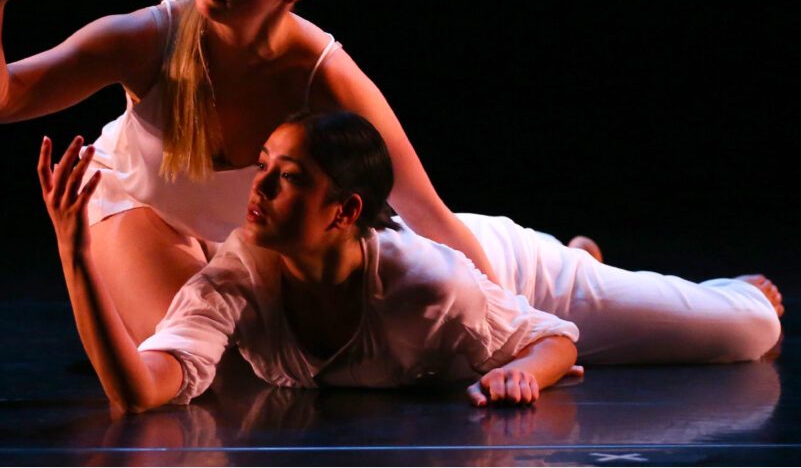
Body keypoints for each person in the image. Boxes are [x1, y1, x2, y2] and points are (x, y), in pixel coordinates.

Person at [0, 0, 501, 343]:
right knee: (208, 360)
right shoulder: (146, 39)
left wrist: (513, 335)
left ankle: (576, 253)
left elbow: (424, 210)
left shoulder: (323, 75)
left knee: (345, 347)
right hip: (140, 208)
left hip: (250, 242)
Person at [38, 112, 782, 414]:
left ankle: (605, 264)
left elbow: (554, 334)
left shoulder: (429, 282)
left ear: (344, 210)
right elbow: (139, 393)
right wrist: (76, 252)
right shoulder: (240, 273)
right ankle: (583, 252)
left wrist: (528, 369)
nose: (256, 189)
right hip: (465, 322)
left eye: (287, 176)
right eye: (262, 165)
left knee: (746, 335)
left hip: (503, 269)